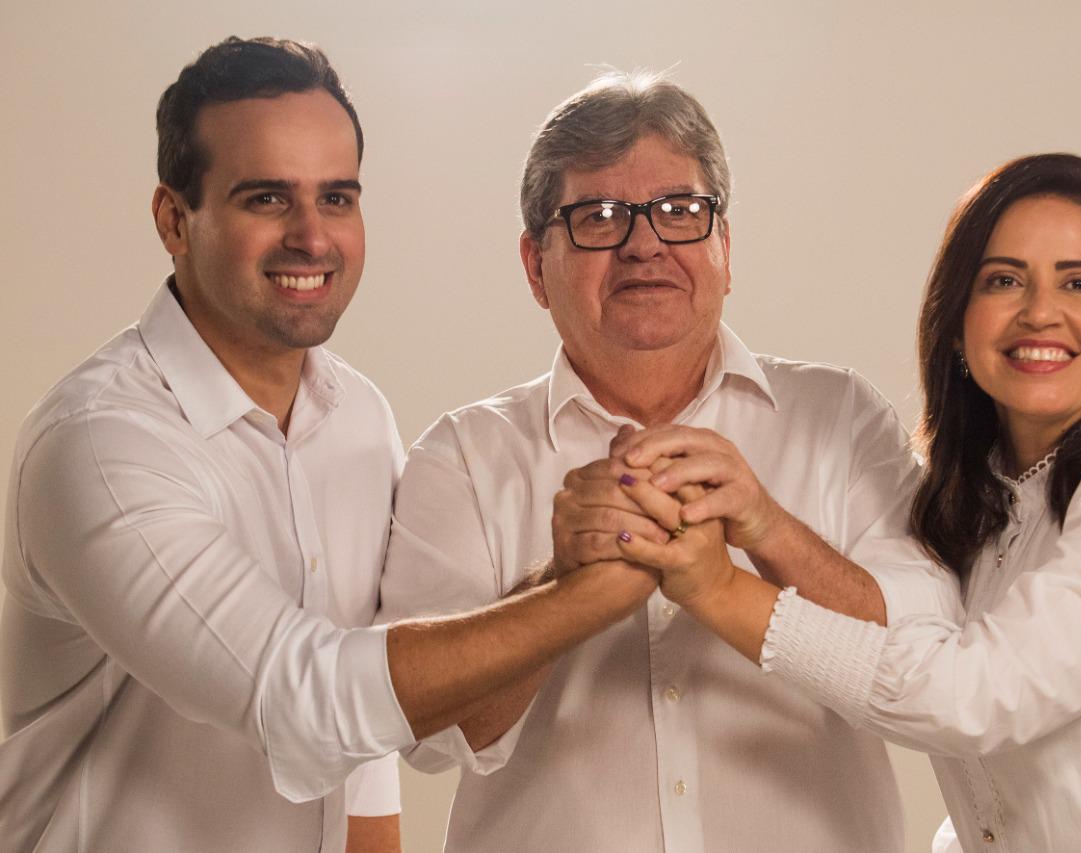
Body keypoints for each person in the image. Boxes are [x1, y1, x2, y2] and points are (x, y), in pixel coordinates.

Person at [0, 37, 662, 853]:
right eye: (267, 199)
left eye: (337, 198)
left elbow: (365, 738)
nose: (313, 238)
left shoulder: (357, 416)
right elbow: (305, 700)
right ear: (174, 219)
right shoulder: (100, 443)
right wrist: (586, 591)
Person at [600, 153, 1081, 852]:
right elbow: (998, 781)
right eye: (1004, 280)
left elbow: (973, 700)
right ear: (957, 323)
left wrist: (716, 587)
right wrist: (760, 521)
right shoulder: (975, 503)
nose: (1040, 312)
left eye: (1079, 283)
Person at [379, 69, 956, 852]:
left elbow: (930, 659)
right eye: (598, 216)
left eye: (680, 211)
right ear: (534, 264)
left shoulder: (841, 418)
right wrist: (560, 584)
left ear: (725, 246)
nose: (644, 244)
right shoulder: (463, 457)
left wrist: (769, 529)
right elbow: (421, 728)